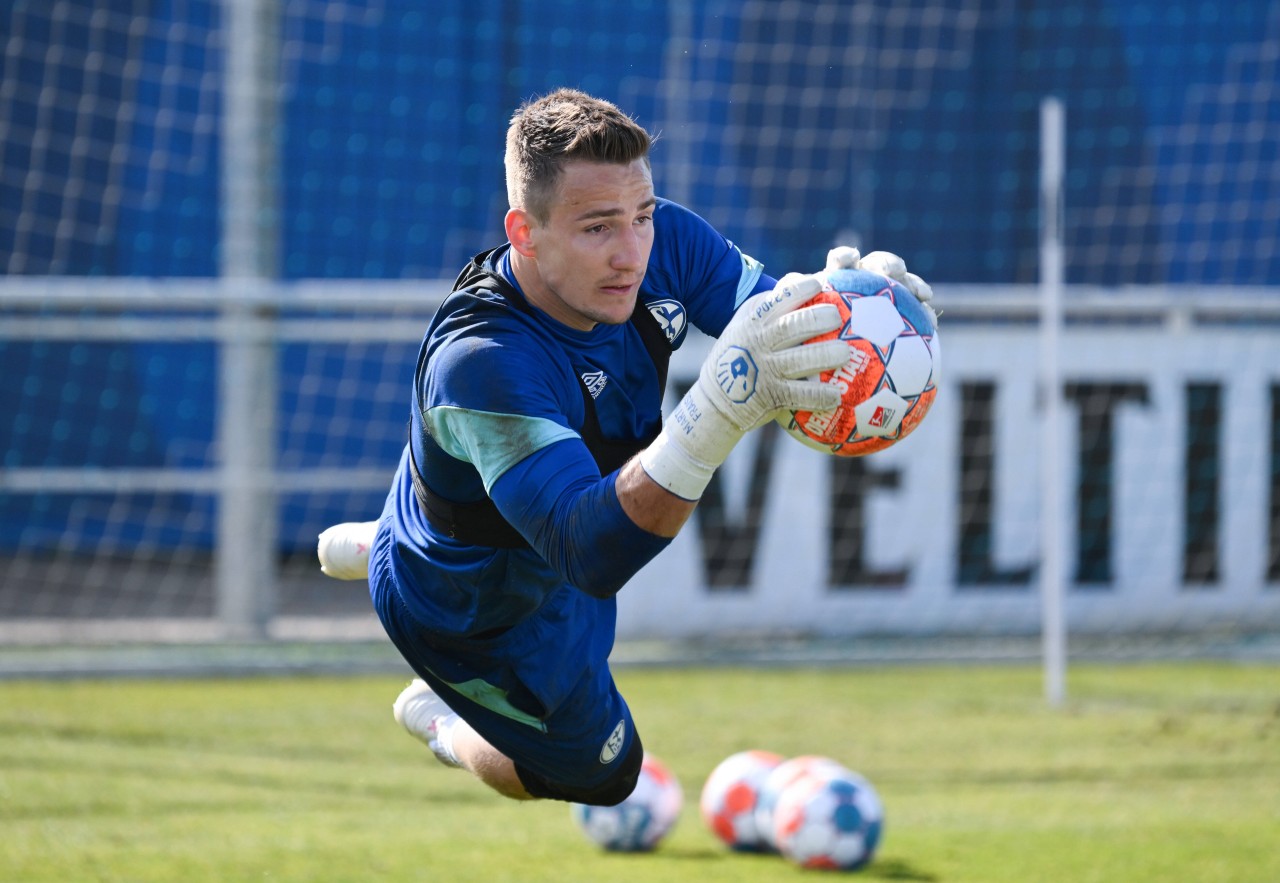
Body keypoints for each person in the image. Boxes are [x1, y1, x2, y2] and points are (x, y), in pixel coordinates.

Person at [317, 88, 934, 805]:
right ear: (524, 232)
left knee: (532, 483)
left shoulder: (663, 240)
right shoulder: (481, 361)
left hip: (537, 513)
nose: (631, 251)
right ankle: (439, 714)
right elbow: (592, 553)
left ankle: (394, 535)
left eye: (640, 215)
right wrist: (721, 407)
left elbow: (782, 326)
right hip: (473, 606)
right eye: (597, 227)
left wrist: (866, 313)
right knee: (605, 775)